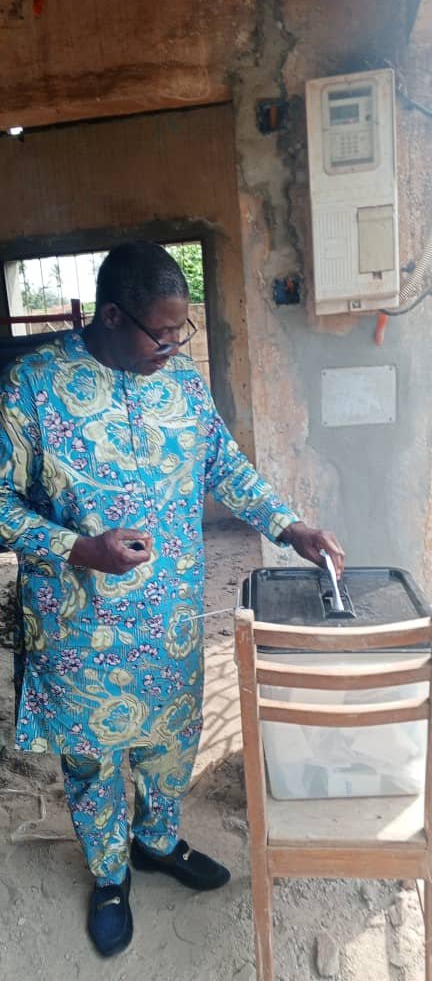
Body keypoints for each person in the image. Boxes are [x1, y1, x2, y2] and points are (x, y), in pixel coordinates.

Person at [0, 242, 344, 957]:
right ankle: (109, 876)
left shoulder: (182, 385)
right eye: (161, 332)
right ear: (114, 316)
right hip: (77, 622)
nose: (174, 345)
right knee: (92, 758)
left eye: (181, 330)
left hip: (171, 618)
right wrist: (76, 547)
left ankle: (156, 842)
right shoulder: (32, 385)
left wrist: (291, 526)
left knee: (169, 744)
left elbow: (225, 464)